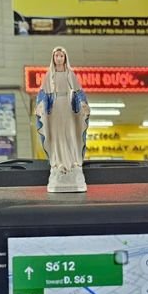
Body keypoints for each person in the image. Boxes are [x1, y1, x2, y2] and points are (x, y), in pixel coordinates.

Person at [35, 47, 90, 192]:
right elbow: (43, 94)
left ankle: (72, 162)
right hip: (54, 108)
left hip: (67, 106)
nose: (59, 58)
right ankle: (58, 162)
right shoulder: (49, 75)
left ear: (65, 58)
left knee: (70, 134)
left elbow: (78, 92)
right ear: (53, 58)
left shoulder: (70, 74)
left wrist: (83, 104)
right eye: (56, 56)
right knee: (57, 135)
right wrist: (41, 106)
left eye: (61, 56)